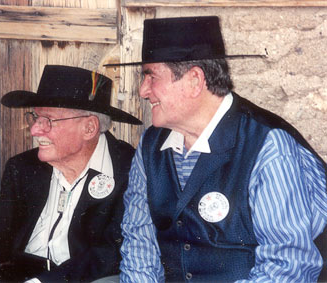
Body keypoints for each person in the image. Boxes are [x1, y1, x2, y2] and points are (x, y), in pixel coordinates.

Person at [105, 16, 327, 282]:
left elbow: (288, 266)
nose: (143, 91)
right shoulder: (150, 146)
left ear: (194, 80)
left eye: (151, 76)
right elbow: (139, 243)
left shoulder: (267, 145)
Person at [0, 65, 141, 282]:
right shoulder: (23, 167)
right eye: (35, 117)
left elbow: (112, 252)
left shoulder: (128, 171)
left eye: (49, 120)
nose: (35, 129)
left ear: (89, 128)